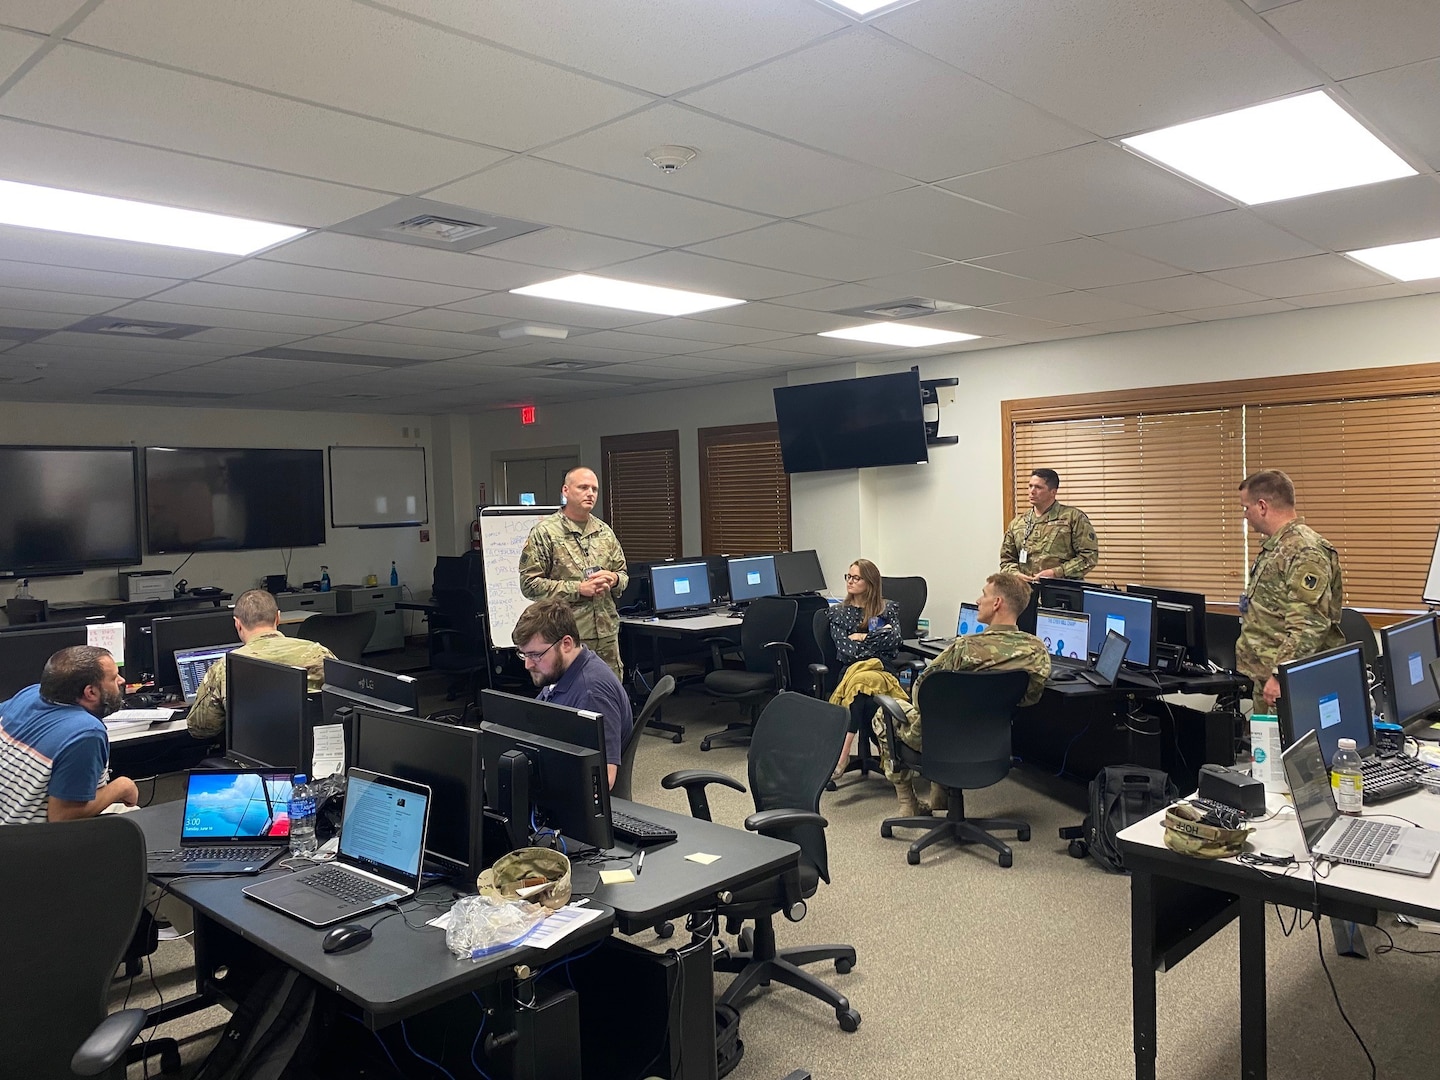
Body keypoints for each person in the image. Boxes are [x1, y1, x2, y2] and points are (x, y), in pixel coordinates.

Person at [876, 573, 1050, 815]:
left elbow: (921, 693)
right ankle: (940, 795)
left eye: (984, 595)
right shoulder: (1037, 650)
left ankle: (909, 803)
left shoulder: (965, 648)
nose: (978, 600)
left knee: (884, 711)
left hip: (938, 740)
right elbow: (1030, 697)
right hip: (992, 741)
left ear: (997, 603)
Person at [1234, 470, 1344, 711]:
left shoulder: (1304, 550)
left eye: (1246, 508)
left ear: (1262, 506)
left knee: (1285, 749)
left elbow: (1309, 625)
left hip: (1288, 683)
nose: (1245, 515)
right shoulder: (1278, 546)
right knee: (1265, 747)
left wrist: (1279, 675)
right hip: (1269, 676)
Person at [0, 645, 139, 823]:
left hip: (6, 825)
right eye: (113, 678)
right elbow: (63, 817)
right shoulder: (85, 733)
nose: (121, 680)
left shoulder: (30, 694)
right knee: (138, 821)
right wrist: (122, 787)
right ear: (91, 692)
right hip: (31, 842)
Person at [518, 466, 629, 681]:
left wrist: (614, 579)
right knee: (573, 700)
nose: (590, 493)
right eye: (583, 487)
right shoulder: (545, 532)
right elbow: (529, 584)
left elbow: (623, 574)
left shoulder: (604, 532)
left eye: (594, 489)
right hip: (567, 638)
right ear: (566, 491)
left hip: (606, 635)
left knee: (608, 696)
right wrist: (578, 589)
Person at [513, 598, 633, 789]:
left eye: (535, 655)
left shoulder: (591, 694)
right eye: (523, 655)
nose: (528, 664)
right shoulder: (563, 672)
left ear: (566, 644)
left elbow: (602, 780)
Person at [187, 589, 335, 740]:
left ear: (237, 624)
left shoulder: (227, 666)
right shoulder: (319, 653)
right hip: (317, 756)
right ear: (278, 618)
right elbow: (341, 703)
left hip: (256, 760)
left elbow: (201, 727)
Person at [827, 559, 902, 778]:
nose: (850, 581)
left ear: (869, 583)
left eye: (856, 577)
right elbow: (847, 649)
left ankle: (840, 759)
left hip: (882, 669)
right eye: (848, 576)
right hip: (851, 670)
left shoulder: (887, 609)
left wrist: (863, 637)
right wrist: (877, 640)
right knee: (862, 693)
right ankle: (888, 758)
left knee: (861, 692)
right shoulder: (838, 613)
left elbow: (895, 640)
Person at [999, 469, 1099, 581]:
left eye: (1038, 487)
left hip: (1060, 590)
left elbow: (1089, 556)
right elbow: (1006, 561)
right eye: (1030, 486)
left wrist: (1056, 573)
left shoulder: (1073, 518)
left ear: (1053, 492)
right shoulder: (1018, 523)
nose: (1032, 491)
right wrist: (1016, 574)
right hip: (1024, 592)